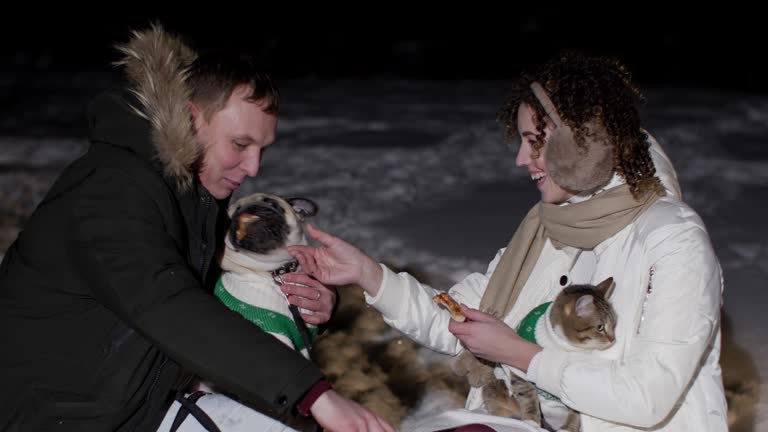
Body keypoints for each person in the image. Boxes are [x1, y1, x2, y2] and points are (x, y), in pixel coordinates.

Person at [286, 52, 728, 431]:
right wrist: (369, 274)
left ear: (584, 143)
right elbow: (460, 321)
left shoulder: (672, 238)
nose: (520, 159)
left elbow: (646, 398)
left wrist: (521, 355)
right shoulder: (549, 226)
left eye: (536, 141)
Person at [0, 24, 393, 432]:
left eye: (263, 150)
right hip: (54, 418)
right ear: (190, 118)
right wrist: (310, 392)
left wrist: (313, 307)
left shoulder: (194, 192)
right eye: (240, 145)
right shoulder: (109, 192)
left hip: (139, 404)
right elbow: (171, 305)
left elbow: (224, 299)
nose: (254, 168)